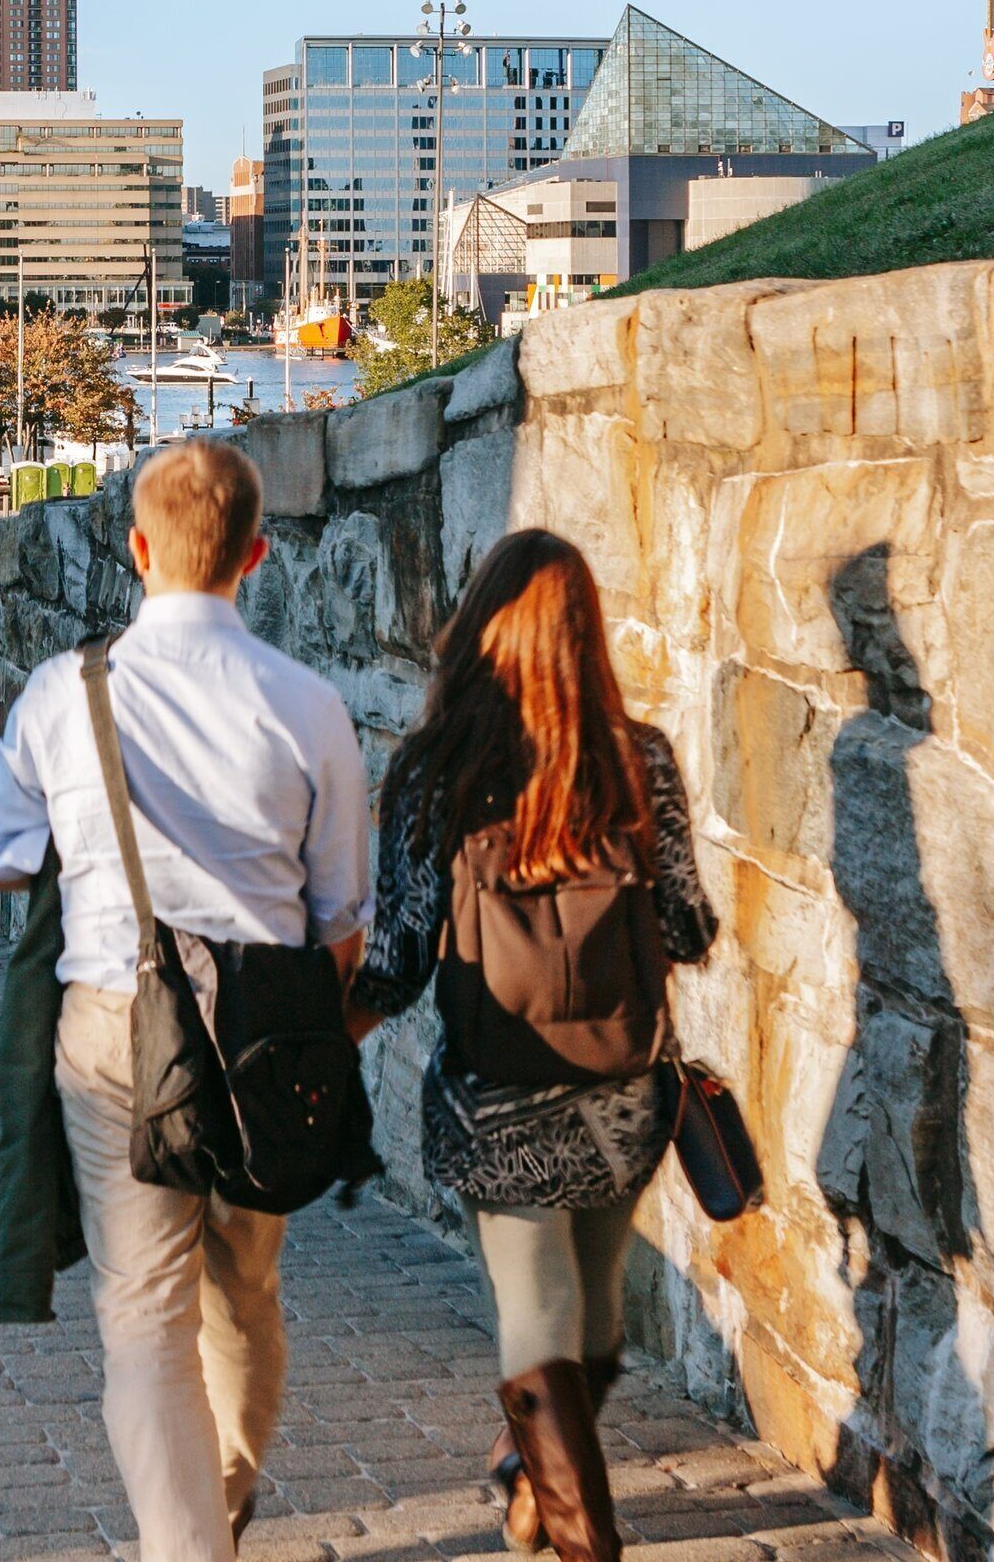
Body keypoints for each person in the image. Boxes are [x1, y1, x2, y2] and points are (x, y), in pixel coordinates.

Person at [0, 439, 370, 1561]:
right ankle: (218, 1495)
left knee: (144, 1316)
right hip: (268, 1029)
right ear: (257, 555)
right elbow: (343, 916)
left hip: (114, 1023)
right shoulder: (310, 705)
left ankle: (190, 1535)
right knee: (245, 1288)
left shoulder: (67, 692)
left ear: (137, 550)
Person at [343, 529, 717, 1562]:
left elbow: (400, 955)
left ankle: (549, 1497)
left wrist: (330, 1038)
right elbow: (689, 928)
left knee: (543, 1318)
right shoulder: (639, 761)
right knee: (593, 1329)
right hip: (623, 1094)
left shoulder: (434, 773)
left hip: (490, 1099)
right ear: (586, 636)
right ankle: (554, 1503)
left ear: (480, 631)